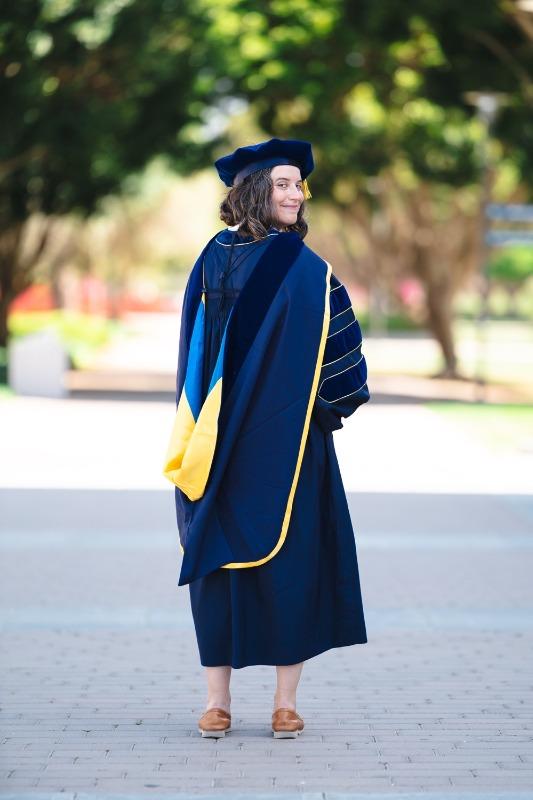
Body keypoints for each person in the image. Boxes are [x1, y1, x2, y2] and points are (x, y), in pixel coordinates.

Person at [163, 137, 370, 739]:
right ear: (255, 191)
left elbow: (341, 354)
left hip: (291, 444)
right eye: (283, 184)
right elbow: (195, 349)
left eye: (298, 185)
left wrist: (305, 409)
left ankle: (285, 702)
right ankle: (217, 702)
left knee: (290, 566)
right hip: (221, 442)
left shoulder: (309, 270)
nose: (296, 194)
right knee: (217, 565)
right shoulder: (215, 258)